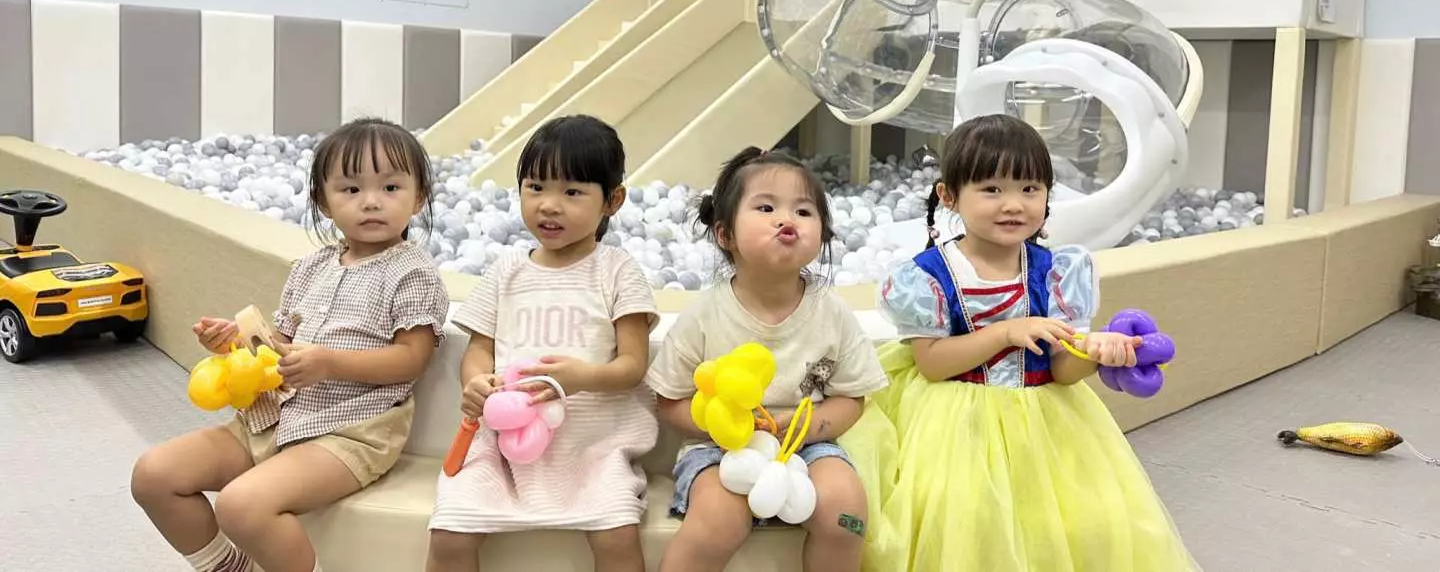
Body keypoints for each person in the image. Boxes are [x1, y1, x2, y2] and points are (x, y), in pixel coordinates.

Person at [837, 114, 1198, 571]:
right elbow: (931, 364)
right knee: (965, 522)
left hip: (1043, 422)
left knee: (1076, 519)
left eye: (1029, 189)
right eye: (992, 189)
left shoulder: (1057, 271)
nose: (1013, 204)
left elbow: (1062, 372)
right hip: (955, 423)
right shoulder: (929, 277)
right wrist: (1006, 332)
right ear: (950, 196)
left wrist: (1094, 352)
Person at [130, 117, 452, 572]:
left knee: (240, 506)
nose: (372, 201)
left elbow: (412, 359)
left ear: (418, 197)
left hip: (350, 432)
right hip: (273, 420)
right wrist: (235, 344)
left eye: (391, 187)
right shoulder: (310, 267)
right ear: (323, 200)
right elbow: (281, 346)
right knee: (154, 475)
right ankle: (229, 568)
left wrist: (329, 364)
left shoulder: (412, 273)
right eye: (351, 189)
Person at [426, 115, 660, 572]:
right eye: (535, 187)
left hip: (591, 448)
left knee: (616, 532)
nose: (549, 205)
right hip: (502, 444)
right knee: (450, 530)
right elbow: (479, 347)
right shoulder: (507, 269)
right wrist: (476, 382)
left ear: (612, 200)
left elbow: (633, 363)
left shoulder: (616, 271)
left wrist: (583, 376)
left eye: (572, 192)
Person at [646, 147, 889, 572]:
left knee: (845, 515)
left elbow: (852, 398)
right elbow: (668, 401)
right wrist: (726, 426)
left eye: (803, 210)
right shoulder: (704, 315)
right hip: (717, 450)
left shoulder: (831, 313)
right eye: (765, 207)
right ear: (725, 235)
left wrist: (799, 427)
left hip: (808, 445)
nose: (786, 219)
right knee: (719, 522)